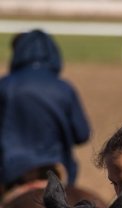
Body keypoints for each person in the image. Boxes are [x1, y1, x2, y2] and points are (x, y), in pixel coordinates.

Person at [0, 30, 90, 195]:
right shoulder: (64, 88)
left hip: (11, 171)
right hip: (56, 169)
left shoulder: (5, 85)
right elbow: (82, 135)